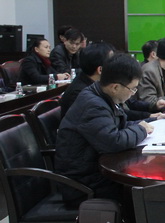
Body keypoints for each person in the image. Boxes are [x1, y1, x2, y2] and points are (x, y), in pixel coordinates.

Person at [54, 54, 154, 207]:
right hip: (83, 184)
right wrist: (141, 130)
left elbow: (119, 126)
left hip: (94, 170)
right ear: (115, 87)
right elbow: (114, 141)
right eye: (133, 89)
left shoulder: (101, 95)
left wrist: (148, 123)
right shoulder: (94, 105)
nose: (133, 93)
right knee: (145, 191)